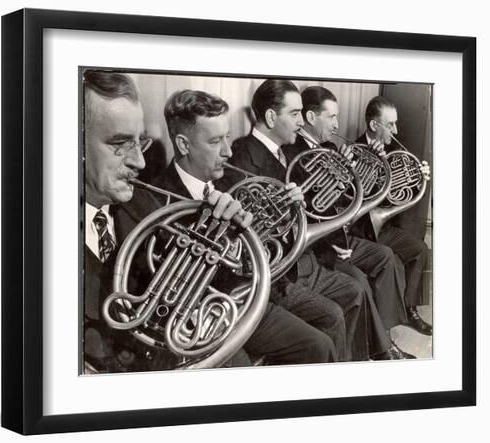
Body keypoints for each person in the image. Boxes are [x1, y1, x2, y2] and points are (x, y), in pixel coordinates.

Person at [82, 70, 259, 372]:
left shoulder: (146, 207)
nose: (139, 162)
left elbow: (194, 289)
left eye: (141, 143)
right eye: (120, 144)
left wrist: (222, 231)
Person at [152, 88, 338, 365]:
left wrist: (288, 211)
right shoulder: (157, 198)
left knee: (319, 346)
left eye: (227, 137)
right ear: (183, 145)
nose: (228, 151)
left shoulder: (225, 179)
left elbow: (256, 250)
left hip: (246, 298)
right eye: (216, 141)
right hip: (204, 317)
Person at [216, 79, 376, 361]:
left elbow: (315, 205)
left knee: (353, 291)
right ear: (269, 117)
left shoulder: (286, 152)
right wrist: (286, 208)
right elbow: (248, 234)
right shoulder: (242, 157)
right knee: (334, 313)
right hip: (277, 275)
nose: (302, 122)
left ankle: (350, 367)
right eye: (294, 114)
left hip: (303, 259)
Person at [291, 85, 417, 359]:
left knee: (385, 256)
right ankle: (378, 351)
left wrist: (362, 172)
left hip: (342, 237)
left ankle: (385, 338)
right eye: (332, 117)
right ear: (312, 118)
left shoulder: (329, 147)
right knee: (358, 280)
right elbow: (313, 209)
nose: (338, 124)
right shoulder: (295, 153)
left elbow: (345, 199)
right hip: (324, 245)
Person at [354, 96, 432, 336]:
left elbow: (400, 195)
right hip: (360, 230)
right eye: (391, 124)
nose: (396, 130)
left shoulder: (395, 151)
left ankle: (410, 309)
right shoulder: (353, 151)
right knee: (392, 260)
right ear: (374, 125)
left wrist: (420, 177)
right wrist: (370, 163)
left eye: (395, 124)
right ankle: (384, 334)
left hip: (382, 227)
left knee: (421, 250)